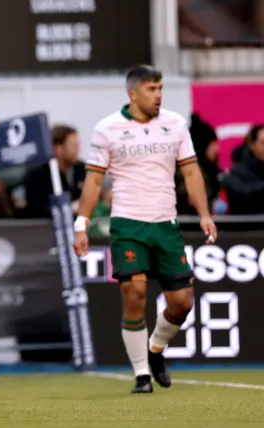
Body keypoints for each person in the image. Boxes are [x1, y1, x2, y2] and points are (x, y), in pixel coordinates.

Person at [73, 65, 218, 393]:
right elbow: (94, 180)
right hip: (127, 225)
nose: (158, 95)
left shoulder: (175, 124)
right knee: (134, 293)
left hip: (166, 225)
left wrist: (205, 214)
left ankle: (155, 350)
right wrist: (81, 225)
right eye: (152, 89)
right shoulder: (108, 128)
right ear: (133, 93)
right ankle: (141, 375)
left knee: (182, 302)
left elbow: (192, 173)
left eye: (160, 88)